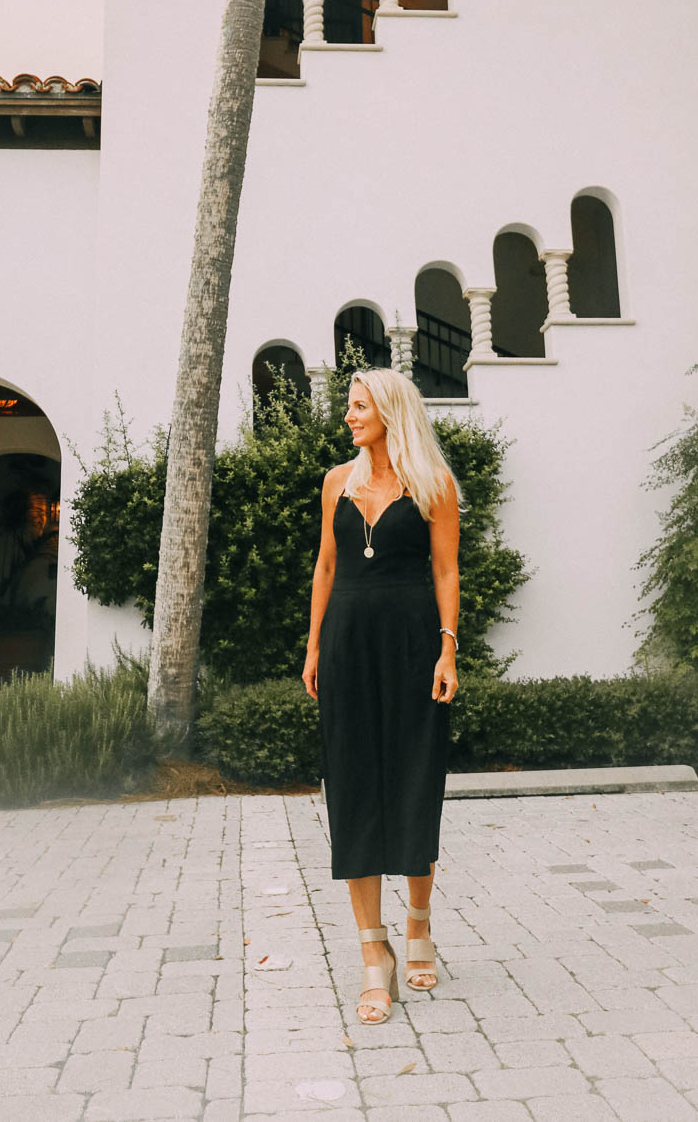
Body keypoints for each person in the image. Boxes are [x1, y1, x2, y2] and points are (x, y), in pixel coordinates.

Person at [303, 367, 460, 1025]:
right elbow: (326, 566)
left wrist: (449, 647)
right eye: (349, 406)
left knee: (415, 781)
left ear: (391, 410)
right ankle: (376, 955)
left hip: (413, 642)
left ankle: (419, 924)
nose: (348, 416)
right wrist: (313, 648)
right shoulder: (336, 482)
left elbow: (448, 568)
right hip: (348, 641)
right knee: (355, 786)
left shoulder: (433, 485)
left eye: (359, 405)